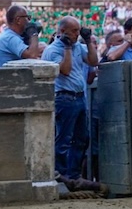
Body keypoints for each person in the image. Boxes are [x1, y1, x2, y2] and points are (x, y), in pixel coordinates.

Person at [41, 17, 98, 181]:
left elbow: (94, 61)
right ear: (63, 31)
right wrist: (66, 47)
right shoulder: (53, 50)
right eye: (74, 31)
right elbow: (65, 70)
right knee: (64, 139)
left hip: (79, 97)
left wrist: (87, 41)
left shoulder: (78, 47)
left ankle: (74, 175)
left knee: (82, 139)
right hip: (64, 97)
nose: (76, 34)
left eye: (78, 30)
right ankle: (61, 174)